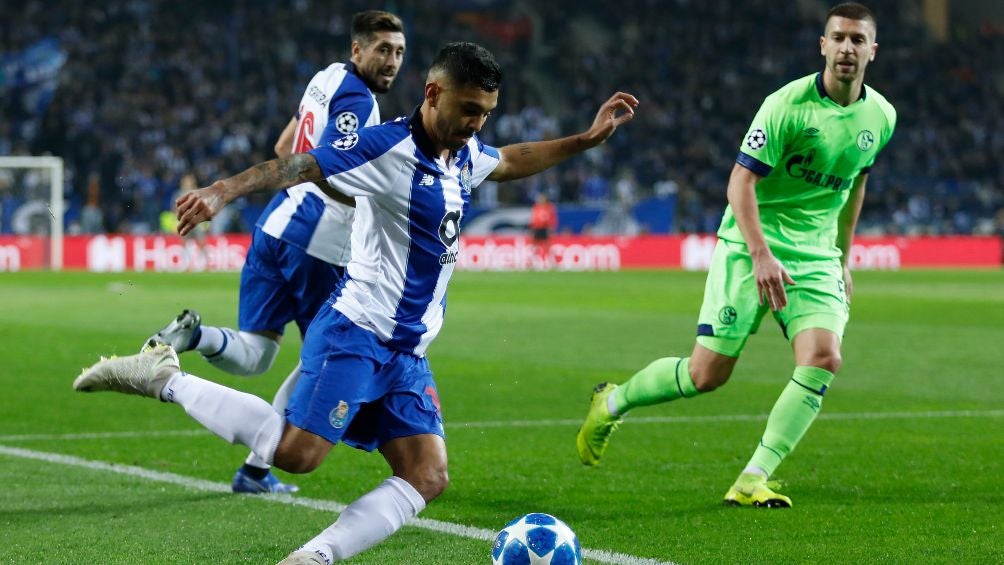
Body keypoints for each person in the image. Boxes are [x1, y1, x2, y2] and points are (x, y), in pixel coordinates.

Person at [74, 42, 637, 563]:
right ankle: (159, 375)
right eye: (468, 109)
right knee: (297, 456)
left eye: (485, 112)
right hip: (356, 331)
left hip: (407, 352)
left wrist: (583, 141)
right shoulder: (385, 146)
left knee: (427, 475)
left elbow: (512, 159)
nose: (476, 124)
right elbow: (299, 164)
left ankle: (313, 557)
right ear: (433, 93)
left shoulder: (462, 155)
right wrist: (220, 191)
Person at [576, 2, 895, 508]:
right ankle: (611, 401)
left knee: (823, 357)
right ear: (823, 45)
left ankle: (752, 477)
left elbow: (856, 185)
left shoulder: (881, 116)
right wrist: (761, 253)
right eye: (838, 38)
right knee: (707, 375)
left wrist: (843, 257)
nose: (847, 48)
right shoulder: (785, 105)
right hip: (751, 245)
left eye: (858, 40)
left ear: (872, 50)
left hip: (814, 256)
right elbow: (740, 183)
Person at [144, 10, 406, 494]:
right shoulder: (358, 99)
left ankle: (194, 337)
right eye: (382, 50)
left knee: (257, 353)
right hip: (319, 245)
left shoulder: (326, 78)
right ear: (358, 50)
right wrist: (376, 197)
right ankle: (257, 470)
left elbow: (286, 144)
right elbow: (328, 168)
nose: (392, 62)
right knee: (322, 360)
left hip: (276, 225)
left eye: (399, 53)